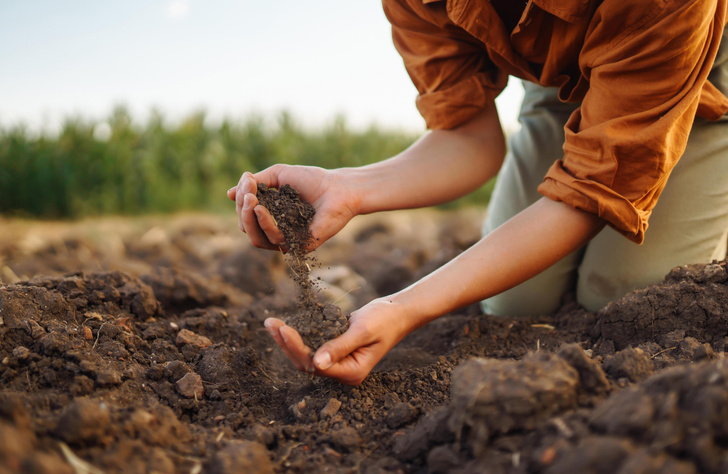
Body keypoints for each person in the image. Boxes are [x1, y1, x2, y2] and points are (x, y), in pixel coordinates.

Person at [227, 0, 728, 385]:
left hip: (693, 73)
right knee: (515, 301)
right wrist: (348, 187)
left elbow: (596, 188)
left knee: (627, 295)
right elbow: (469, 137)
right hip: (559, 83)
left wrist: (406, 307)